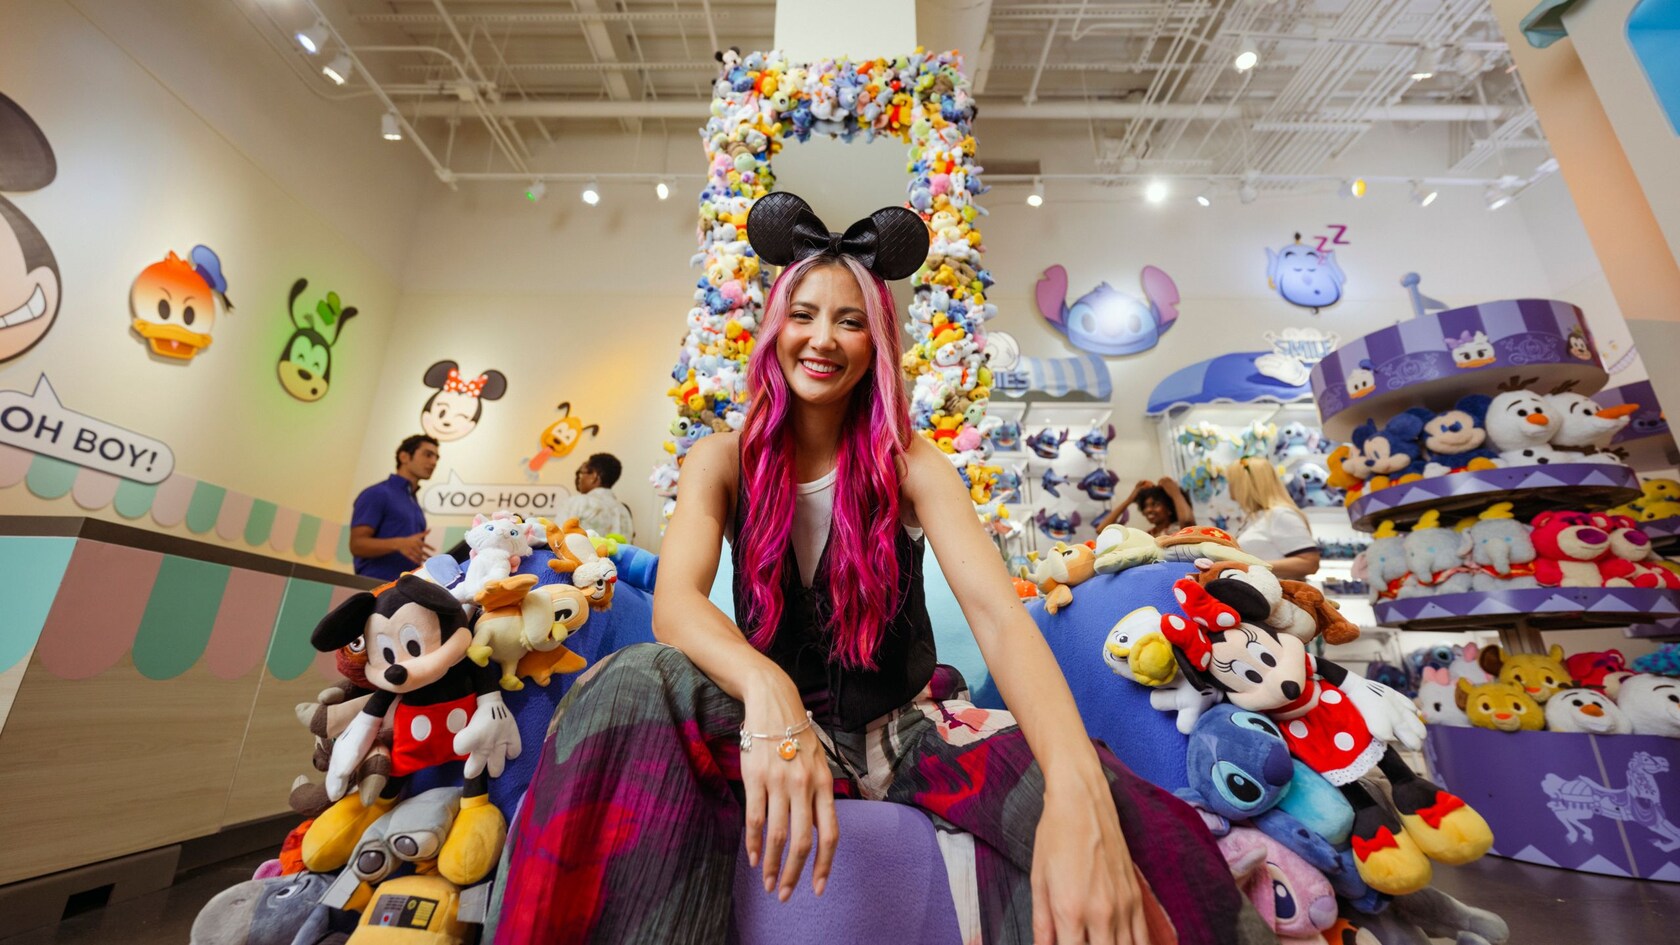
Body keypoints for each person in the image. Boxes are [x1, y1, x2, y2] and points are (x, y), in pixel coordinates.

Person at [489, 193, 1260, 945]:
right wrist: (769, 689)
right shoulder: (719, 458)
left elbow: (996, 614)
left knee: (1123, 811)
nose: (823, 339)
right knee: (628, 681)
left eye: (850, 320)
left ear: (876, 342)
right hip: (773, 728)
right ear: (774, 329)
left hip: (905, 731)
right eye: (804, 315)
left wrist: (1073, 782)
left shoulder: (913, 464)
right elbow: (676, 606)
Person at [348, 434, 437, 581]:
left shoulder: (414, 504)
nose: (433, 462)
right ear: (404, 457)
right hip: (373, 589)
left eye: (436, 458)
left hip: (403, 590)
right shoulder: (377, 493)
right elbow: (356, 545)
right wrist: (398, 544)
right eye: (428, 455)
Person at [1227, 457, 1320, 580]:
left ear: (1244, 484)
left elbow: (1309, 563)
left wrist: (1249, 565)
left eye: (1232, 482)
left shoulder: (1280, 515)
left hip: (1278, 597)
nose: (1229, 487)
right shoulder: (1255, 517)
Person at [561, 451, 635, 541]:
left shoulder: (577, 502)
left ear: (594, 476)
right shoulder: (624, 511)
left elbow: (557, 539)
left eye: (581, 473)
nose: (579, 478)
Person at [1094, 477, 1194, 537]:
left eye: (1155, 504)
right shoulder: (1147, 535)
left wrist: (1174, 492)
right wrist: (1130, 499)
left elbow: (1186, 519)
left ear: (1169, 508)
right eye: (1145, 506)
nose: (1148, 510)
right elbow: (1102, 530)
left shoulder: (1179, 530)